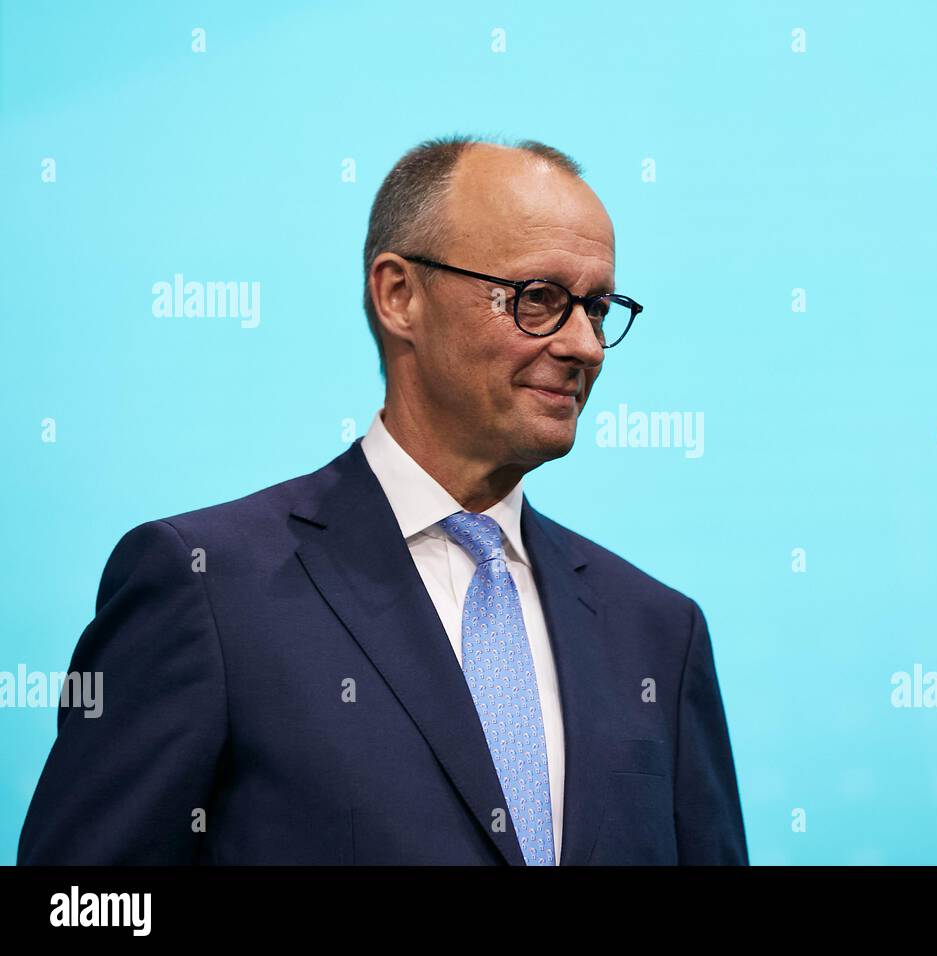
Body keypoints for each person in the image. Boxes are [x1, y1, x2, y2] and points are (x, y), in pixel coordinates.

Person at [17, 135, 748, 865]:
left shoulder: (658, 632)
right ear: (400, 295)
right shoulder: (208, 586)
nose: (585, 345)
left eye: (596, 307)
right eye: (540, 299)